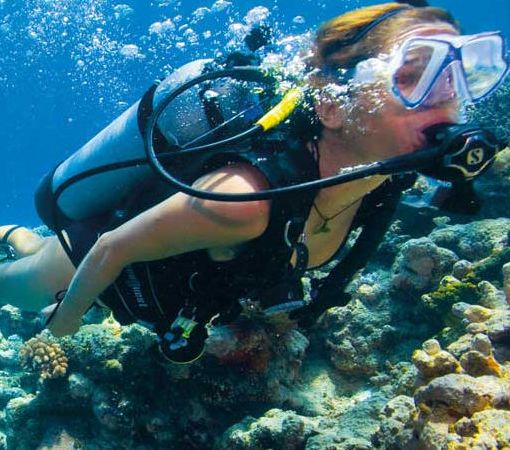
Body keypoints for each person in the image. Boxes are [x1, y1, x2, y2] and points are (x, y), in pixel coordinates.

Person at [0, 2, 507, 363]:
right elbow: (111, 248)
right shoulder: (243, 199)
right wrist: (62, 329)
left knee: (29, 247)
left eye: (466, 73)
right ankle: (14, 239)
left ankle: (13, 235)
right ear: (332, 105)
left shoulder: (381, 176)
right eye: (417, 75)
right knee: (25, 289)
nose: (451, 100)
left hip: (171, 254)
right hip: (101, 246)